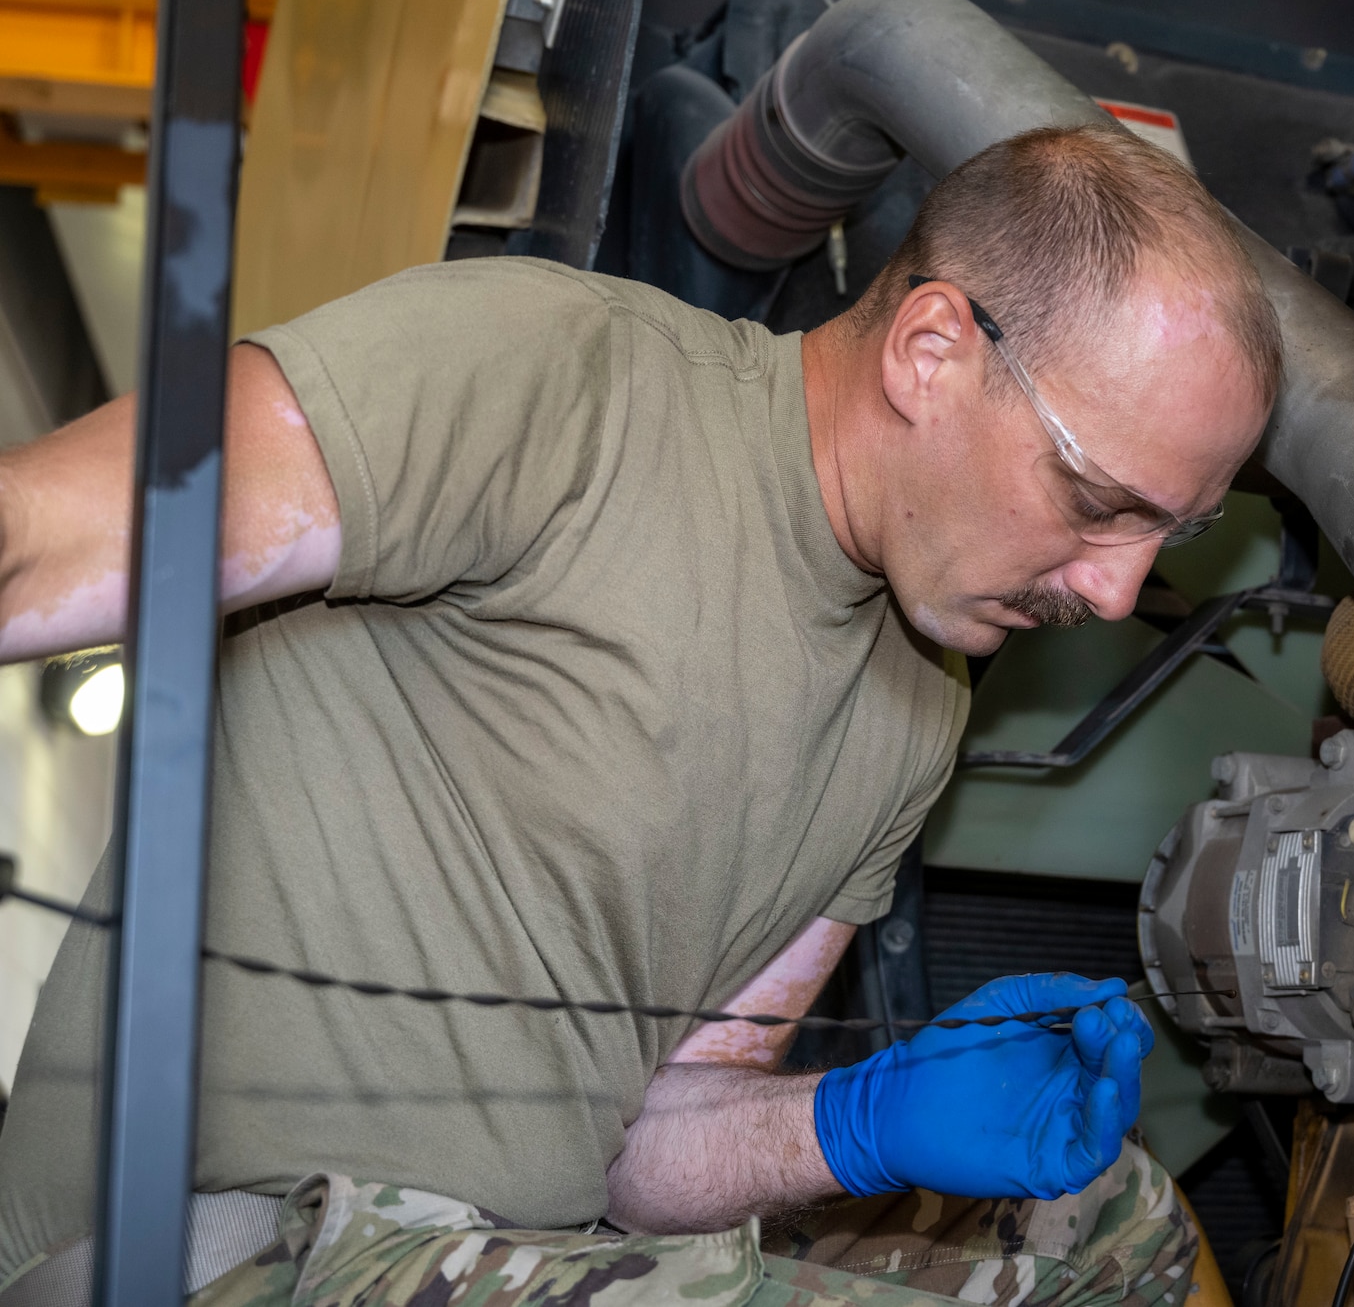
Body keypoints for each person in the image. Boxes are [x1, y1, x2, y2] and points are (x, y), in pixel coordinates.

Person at [0, 122, 1281, 1306]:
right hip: (217, 1253)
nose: (1117, 591)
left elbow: (650, 1147)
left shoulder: (913, 703)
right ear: (929, 349)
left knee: (1116, 1225)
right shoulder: (564, 384)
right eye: (1094, 497)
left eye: (1171, 530)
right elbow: (36, 544)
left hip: (527, 1258)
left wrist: (853, 1119)